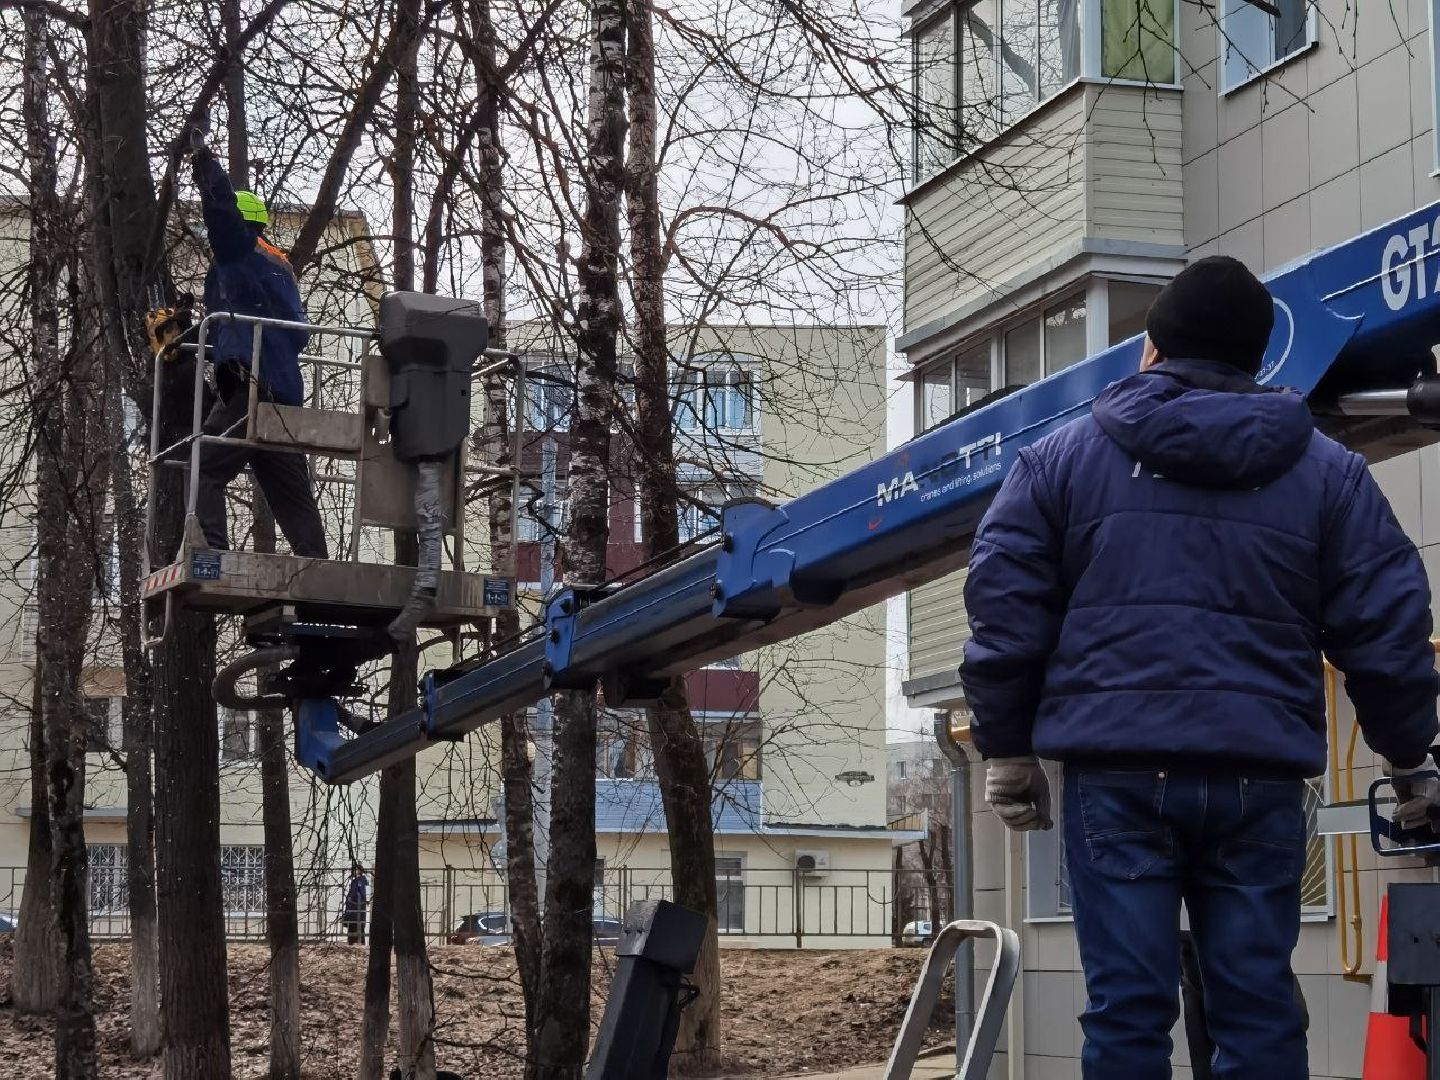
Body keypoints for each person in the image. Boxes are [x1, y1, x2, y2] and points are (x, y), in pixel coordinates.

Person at [959, 256, 1440, 1079]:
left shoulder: (1059, 461)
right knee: (1255, 1006)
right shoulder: (1329, 473)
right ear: (1257, 361)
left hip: (1118, 772)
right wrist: (1408, 755)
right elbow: (1388, 625)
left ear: (1150, 349)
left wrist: (1006, 747)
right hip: (1259, 775)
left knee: (1127, 1009)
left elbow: (1005, 612)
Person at [187, 131, 328, 559]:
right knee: (289, 492)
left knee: (203, 466)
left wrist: (204, 163)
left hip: (252, 386)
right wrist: (188, 342)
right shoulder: (277, 267)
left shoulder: (239, 254)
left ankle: (211, 551)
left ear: (240, 225)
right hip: (282, 395)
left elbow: (221, 214)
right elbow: (236, 328)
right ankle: (316, 566)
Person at [343, 863, 369, 945]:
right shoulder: (358, 881)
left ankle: (356, 941)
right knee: (355, 924)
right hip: (355, 906)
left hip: (355, 907)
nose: (353, 872)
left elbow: (358, 893)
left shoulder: (359, 881)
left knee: (356, 923)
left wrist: (351, 900)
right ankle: (356, 940)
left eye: (354, 870)